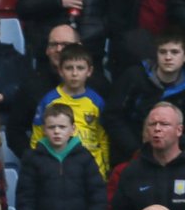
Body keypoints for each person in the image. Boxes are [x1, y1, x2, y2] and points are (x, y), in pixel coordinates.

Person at [102, 28, 185, 166]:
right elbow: (112, 116)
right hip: (128, 156)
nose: (168, 57)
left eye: (174, 52)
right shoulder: (133, 76)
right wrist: (135, 149)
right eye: (163, 52)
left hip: (171, 160)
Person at [7, 25, 110, 156]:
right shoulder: (32, 85)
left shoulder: (99, 85)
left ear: (79, 47)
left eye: (65, 44)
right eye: (53, 45)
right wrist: (35, 161)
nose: (59, 49)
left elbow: (109, 131)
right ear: (46, 50)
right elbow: (15, 131)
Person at [17, 104, 107, 210]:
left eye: (62, 127)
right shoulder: (32, 159)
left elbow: (97, 195)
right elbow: (25, 199)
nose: (57, 131)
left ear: (73, 129)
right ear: (44, 129)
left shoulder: (85, 158)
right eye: (52, 127)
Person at [30, 43, 110, 178]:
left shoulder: (97, 102)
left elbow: (103, 138)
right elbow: (37, 137)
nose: (74, 73)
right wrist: (37, 166)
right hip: (59, 170)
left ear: (89, 71)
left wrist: (105, 168)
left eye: (80, 68)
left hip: (93, 171)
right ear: (60, 70)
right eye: (69, 68)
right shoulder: (49, 100)